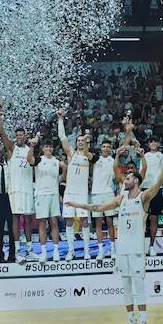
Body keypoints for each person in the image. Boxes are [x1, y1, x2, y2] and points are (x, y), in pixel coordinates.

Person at [67, 151, 163, 324]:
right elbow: (98, 208)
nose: (126, 178)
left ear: (136, 181)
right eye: (125, 176)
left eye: (129, 177)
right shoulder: (121, 198)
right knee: (125, 286)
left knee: (139, 286)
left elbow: (158, 185)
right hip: (122, 249)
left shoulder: (143, 197)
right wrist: (77, 204)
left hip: (136, 250)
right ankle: (131, 322)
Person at [0, 100, 35, 261]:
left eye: (21, 135)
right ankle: (18, 251)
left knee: (28, 218)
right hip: (15, 189)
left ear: (25, 136)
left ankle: (30, 250)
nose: (19, 137)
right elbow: (1, 131)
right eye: (17, 135)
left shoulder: (29, 149)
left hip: (27, 188)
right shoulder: (12, 149)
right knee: (16, 218)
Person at [57, 110, 94, 260]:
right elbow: (62, 137)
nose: (80, 142)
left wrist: (86, 142)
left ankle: (86, 251)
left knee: (85, 221)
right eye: (78, 140)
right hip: (70, 193)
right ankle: (71, 251)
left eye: (82, 140)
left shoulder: (89, 156)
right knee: (70, 221)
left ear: (86, 142)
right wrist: (60, 120)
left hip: (83, 194)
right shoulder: (71, 153)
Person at [30, 134, 65, 262]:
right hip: (41, 195)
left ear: (52, 148)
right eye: (46, 147)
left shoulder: (57, 162)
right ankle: (43, 252)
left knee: (54, 222)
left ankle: (56, 251)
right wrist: (32, 146)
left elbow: (60, 179)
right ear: (43, 148)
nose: (48, 149)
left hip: (54, 194)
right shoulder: (38, 160)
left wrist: (65, 169)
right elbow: (29, 160)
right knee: (42, 224)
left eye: (50, 147)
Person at [89, 136, 119, 262]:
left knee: (110, 222)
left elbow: (116, 177)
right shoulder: (96, 159)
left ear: (111, 149)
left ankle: (113, 250)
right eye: (104, 146)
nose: (106, 148)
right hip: (96, 194)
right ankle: (101, 251)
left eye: (108, 147)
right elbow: (86, 153)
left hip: (108, 194)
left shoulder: (113, 161)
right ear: (101, 148)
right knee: (98, 223)